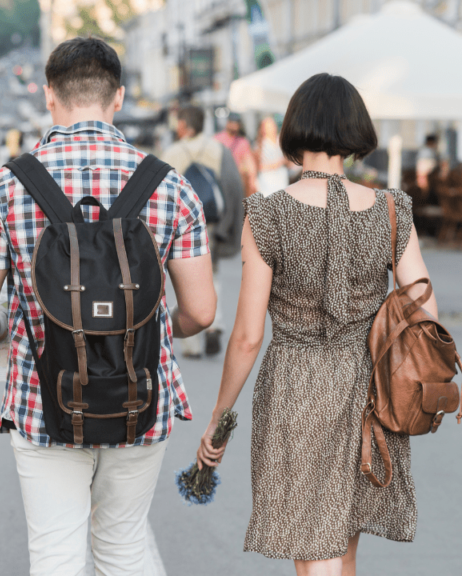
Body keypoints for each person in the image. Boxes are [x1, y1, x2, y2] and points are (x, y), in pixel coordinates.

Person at [0, 37, 216, 575]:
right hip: (141, 394)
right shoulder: (170, 186)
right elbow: (201, 311)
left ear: (50, 95)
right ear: (118, 97)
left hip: (42, 394)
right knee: (122, 545)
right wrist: (139, 331)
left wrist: (14, 330)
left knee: (55, 552)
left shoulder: (7, 186)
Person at [198, 73, 433, 575]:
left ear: (294, 129)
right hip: (372, 392)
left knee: (314, 554)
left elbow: (247, 336)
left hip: (295, 392)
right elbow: (424, 309)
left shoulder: (269, 215)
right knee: (342, 548)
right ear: (355, 130)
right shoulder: (392, 210)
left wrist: (220, 416)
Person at [162, 106, 244, 358]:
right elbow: (233, 186)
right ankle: (214, 325)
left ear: (185, 125)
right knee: (213, 272)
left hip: (181, 225)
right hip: (212, 221)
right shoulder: (218, 150)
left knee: (185, 277)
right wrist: (229, 225)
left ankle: (192, 344)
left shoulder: (172, 152)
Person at [216, 115, 257, 197]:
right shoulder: (217, 139)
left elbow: (249, 164)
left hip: (237, 180)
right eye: (232, 123)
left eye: (236, 124)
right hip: (221, 179)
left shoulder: (243, 142)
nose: (234, 126)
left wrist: (252, 181)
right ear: (228, 123)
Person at [255, 116, 290, 195]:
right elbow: (258, 166)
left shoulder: (280, 140)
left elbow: (288, 159)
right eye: (268, 126)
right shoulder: (260, 144)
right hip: (267, 179)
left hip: (281, 177)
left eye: (272, 125)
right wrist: (276, 164)